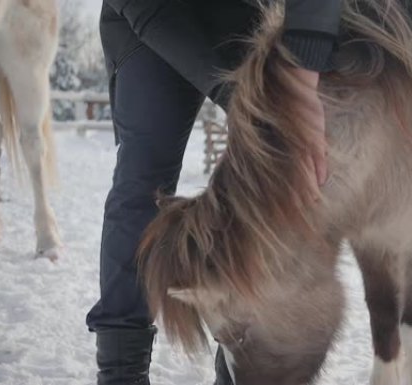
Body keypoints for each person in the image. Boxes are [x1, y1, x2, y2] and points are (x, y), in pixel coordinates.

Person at [85, 1, 342, 384]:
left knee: (273, 161)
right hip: (155, 15)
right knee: (142, 179)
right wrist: (244, 99)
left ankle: (244, 352)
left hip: (252, 11)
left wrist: (303, 72)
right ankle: (121, 369)